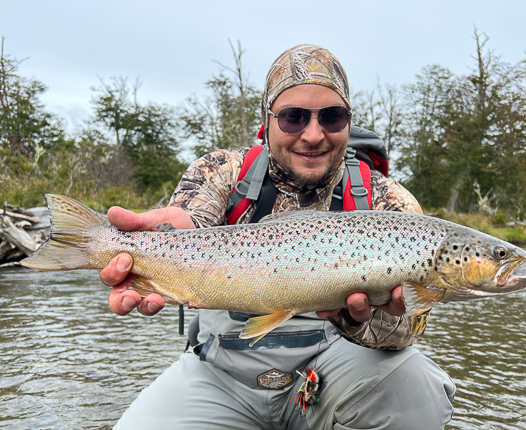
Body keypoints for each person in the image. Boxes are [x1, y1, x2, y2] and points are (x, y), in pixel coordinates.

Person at [101, 44, 456, 429]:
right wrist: (167, 238)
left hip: (333, 374)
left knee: (417, 388)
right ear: (267, 120)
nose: (314, 134)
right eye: (293, 117)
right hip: (220, 376)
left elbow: (403, 338)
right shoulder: (221, 172)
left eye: (333, 117)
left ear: (349, 122)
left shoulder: (389, 202)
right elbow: (192, 222)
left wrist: (361, 319)